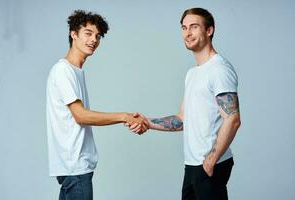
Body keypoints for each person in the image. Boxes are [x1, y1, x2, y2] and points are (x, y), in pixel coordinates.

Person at [128, 7, 241, 200]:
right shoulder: (193, 73)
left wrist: (212, 159)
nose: (187, 33)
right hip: (193, 165)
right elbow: (182, 119)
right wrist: (147, 121)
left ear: (209, 30)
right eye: (184, 27)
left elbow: (233, 119)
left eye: (194, 27)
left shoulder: (219, 69)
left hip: (209, 165)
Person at [46, 10, 148, 200]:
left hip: (73, 169)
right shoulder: (64, 70)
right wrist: (124, 116)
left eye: (98, 36)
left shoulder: (74, 71)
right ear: (73, 34)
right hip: (75, 169)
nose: (94, 40)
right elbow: (81, 116)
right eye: (88, 33)